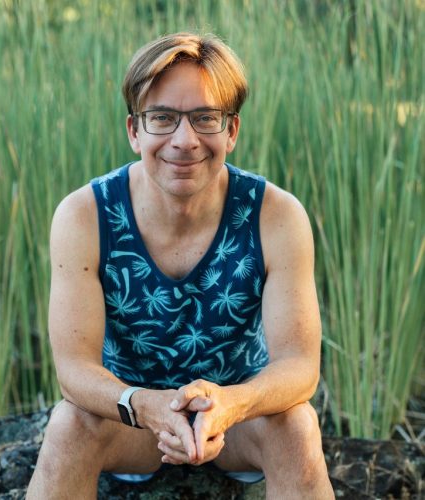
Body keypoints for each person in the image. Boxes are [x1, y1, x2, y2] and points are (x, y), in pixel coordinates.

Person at [27, 32, 334, 499]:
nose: (184, 140)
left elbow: (299, 366)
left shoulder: (277, 215)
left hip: (237, 423)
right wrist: (144, 405)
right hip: (129, 421)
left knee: (297, 424)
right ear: (135, 131)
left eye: (205, 117)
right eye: (163, 118)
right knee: (68, 425)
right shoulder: (83, 215)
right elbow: (74, 369)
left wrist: (230, 404)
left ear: (231, 129)